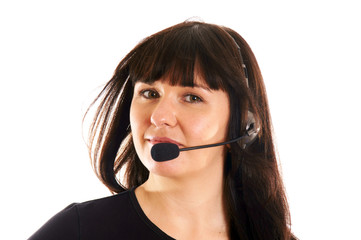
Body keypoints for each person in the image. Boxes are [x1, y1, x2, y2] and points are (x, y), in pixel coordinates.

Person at [29, 21, 296, 240]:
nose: (159, 116)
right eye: (149, 93)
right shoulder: (80, 231)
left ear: (242, 125)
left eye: (192, 97)